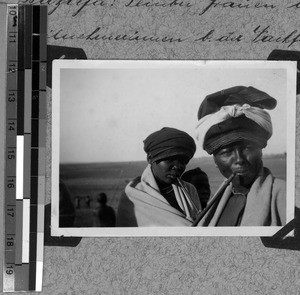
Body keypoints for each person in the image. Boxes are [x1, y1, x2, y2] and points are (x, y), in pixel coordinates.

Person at [195, 86, 286, 226]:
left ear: (260, 150)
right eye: (226, 153)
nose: (239, 160)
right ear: (215, 160)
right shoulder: (213, 208)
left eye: (248, 148)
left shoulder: (285, 196)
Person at [116, 127, 202, 226]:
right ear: (150, 158)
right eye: (170, 159)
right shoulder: (133, 193)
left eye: (183, 161)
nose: (177, 167)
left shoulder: (189, 190)